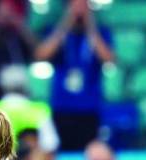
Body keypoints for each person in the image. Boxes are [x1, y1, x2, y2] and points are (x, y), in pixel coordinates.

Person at [35, 0, 114, 151]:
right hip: (62, 106)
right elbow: (42, 54)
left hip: (89, 108)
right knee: (62, 154)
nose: (79, 10)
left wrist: (90, 26)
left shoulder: (101, 32)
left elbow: (108, 58)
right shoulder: (56, 31)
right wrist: (65, 24)